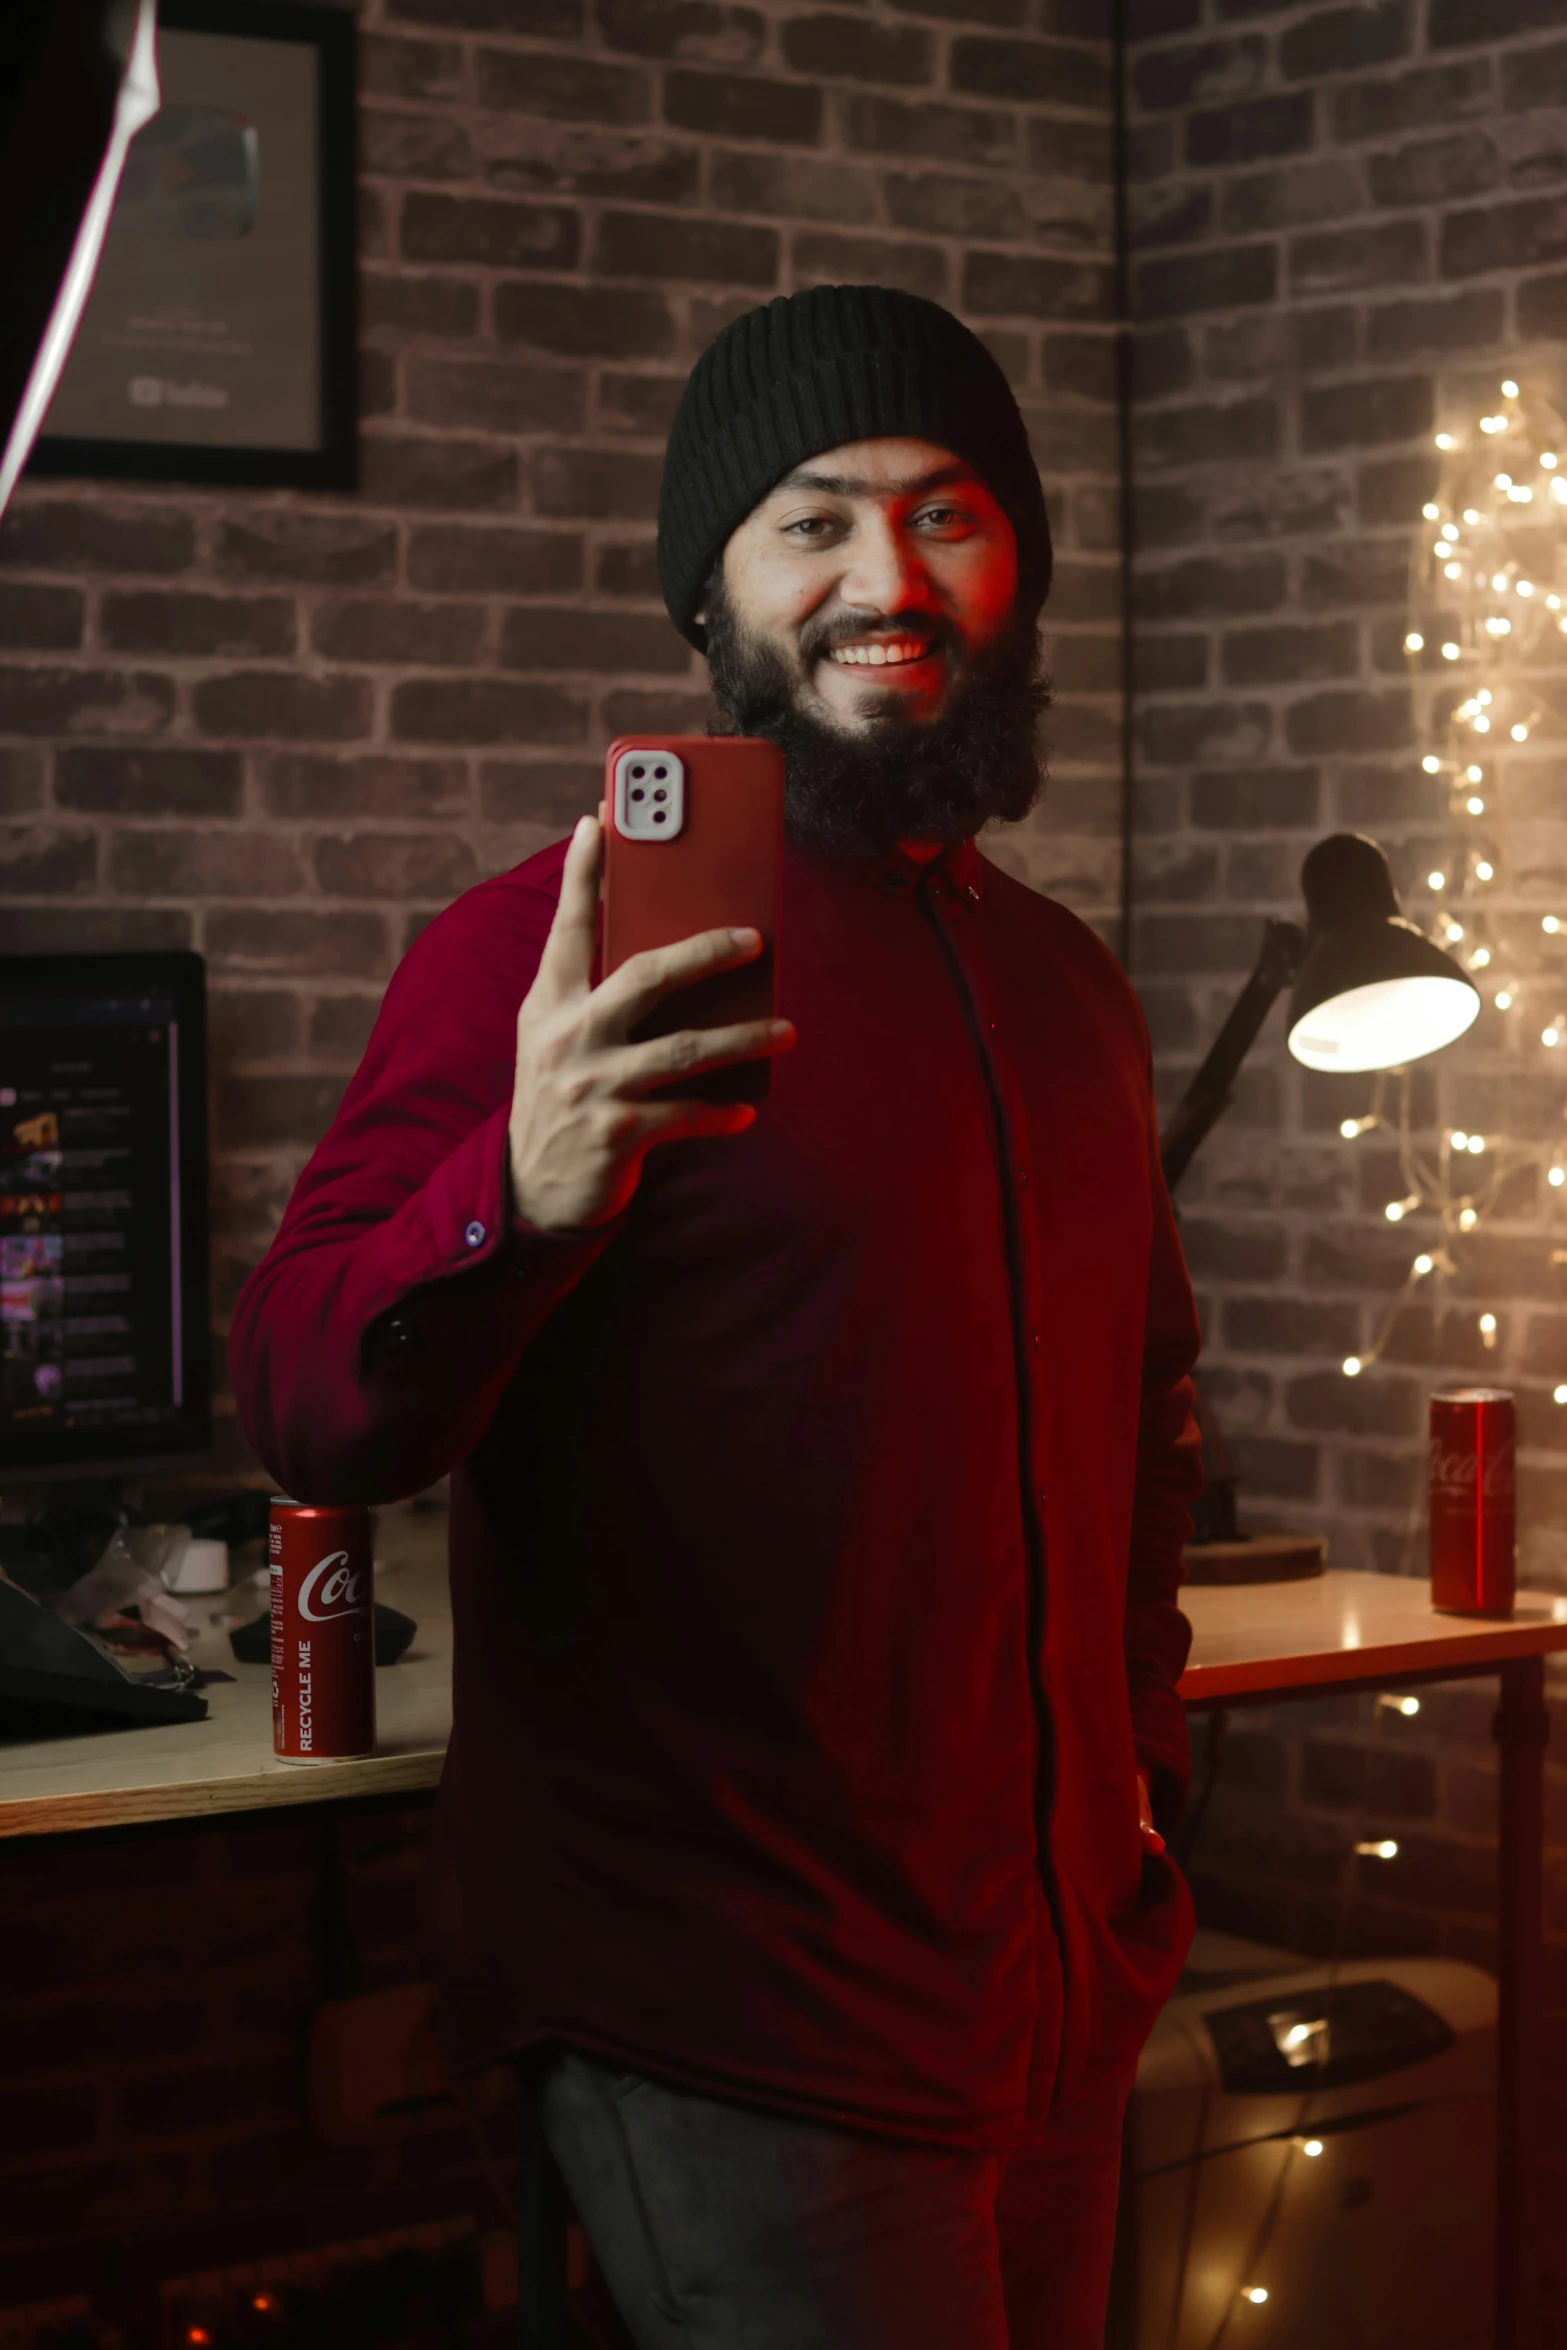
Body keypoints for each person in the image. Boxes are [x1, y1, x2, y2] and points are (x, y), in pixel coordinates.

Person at [231, 284, 1202, 2349]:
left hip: (1051, 1993)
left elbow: (1149, 1407)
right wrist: (526, 1183)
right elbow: (312, 1400)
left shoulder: (1067, 984)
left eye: (946, 515)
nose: (888, 579)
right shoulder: (541, 948)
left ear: (1017, 562)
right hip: (740, 2025)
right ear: (713, 594)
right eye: (814, 522)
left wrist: (1136, 1791)